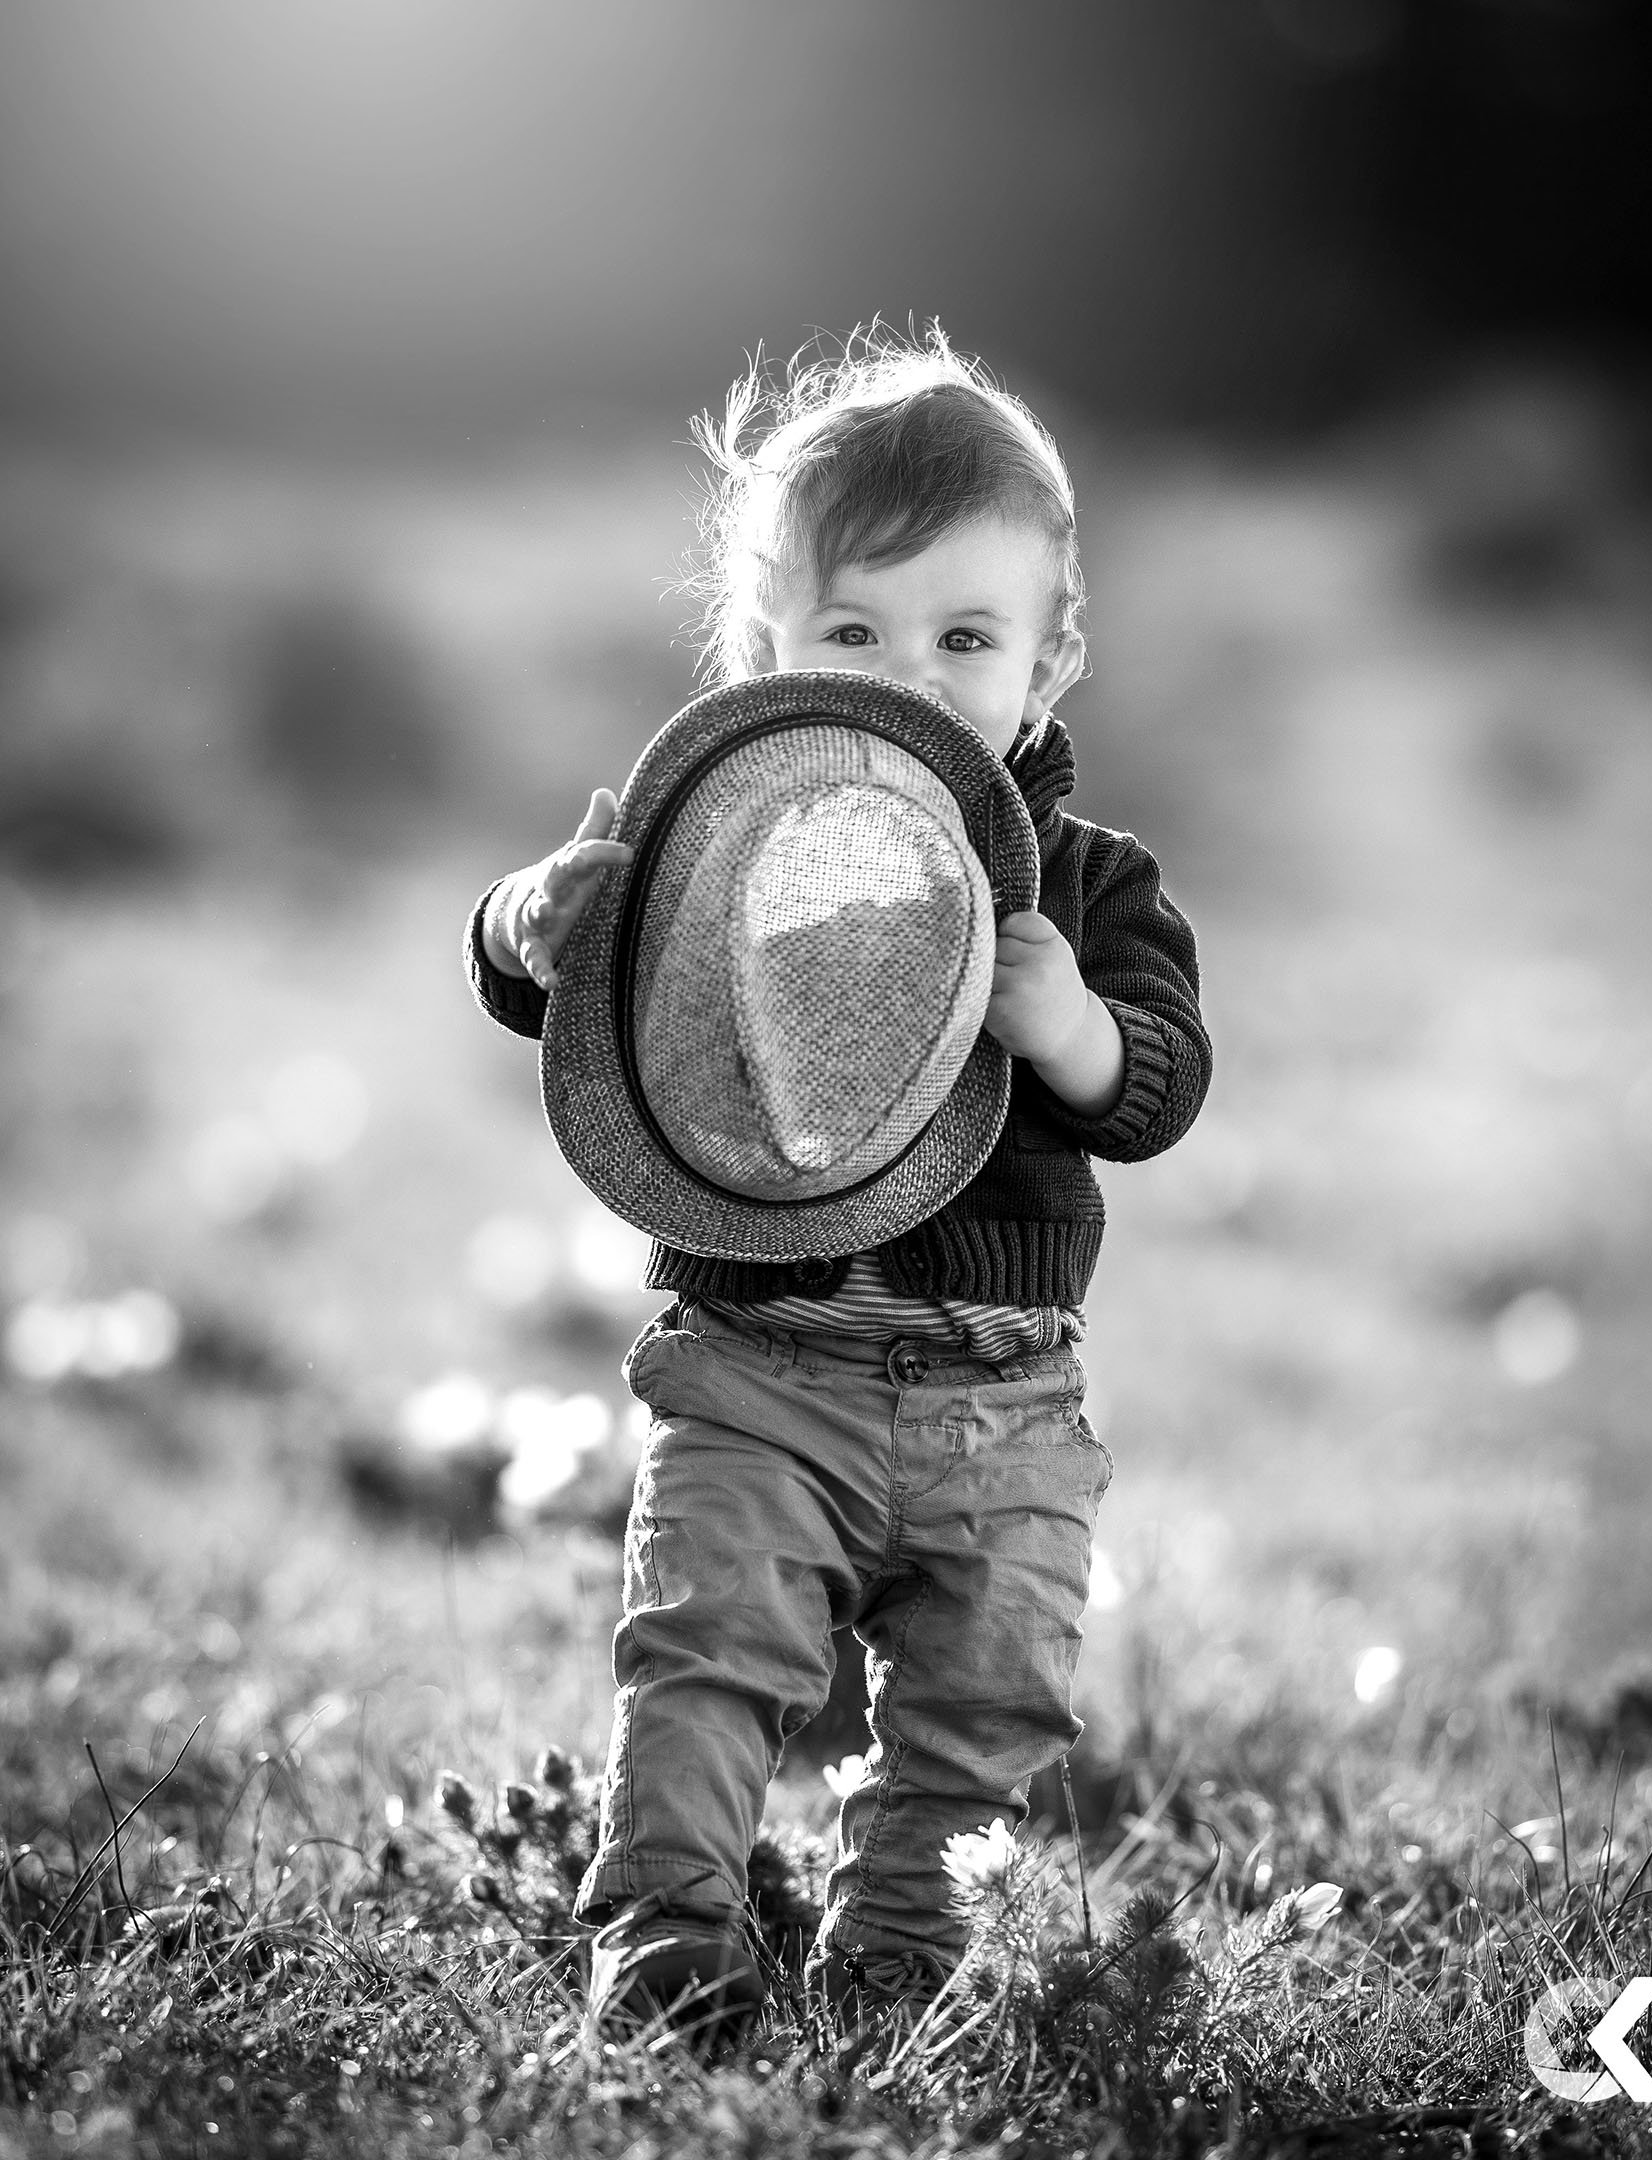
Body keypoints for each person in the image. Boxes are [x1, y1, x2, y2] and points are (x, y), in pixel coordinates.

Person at [465, 326, 1211, 2038]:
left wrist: (1076, 1027)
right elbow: (548, 966)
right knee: (703, 1663)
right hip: (758, 1373)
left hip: (1001, 1404)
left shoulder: (1090, 885)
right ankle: (664, 1948)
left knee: (988, 1703)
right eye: (854, 631)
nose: (912, 672)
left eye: (966, 637)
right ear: (766, 649)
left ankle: (894, 1959)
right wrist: (527, 921)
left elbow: (1160, 1089)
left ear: (1051, 659)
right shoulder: (715, 831)